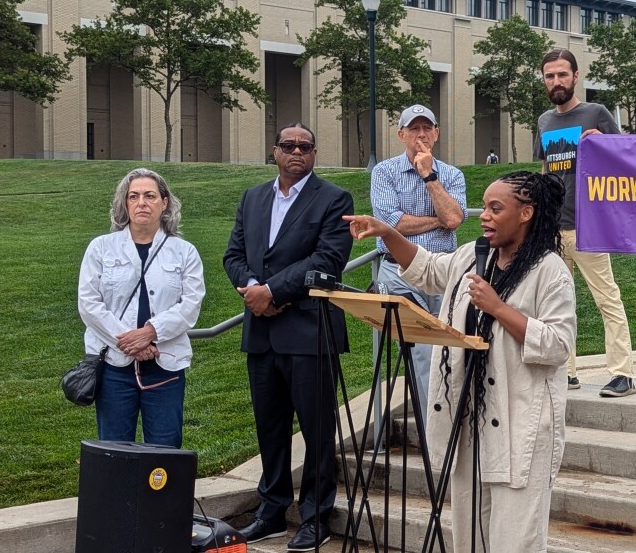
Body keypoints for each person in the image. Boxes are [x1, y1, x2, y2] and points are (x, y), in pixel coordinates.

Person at [344, 171, 576, 553]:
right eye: (483, 206)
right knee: (469, 536)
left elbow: (557, 344)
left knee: (515, 539)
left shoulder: (550, 271)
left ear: (526, 213)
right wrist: (388, 233)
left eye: (495, 208)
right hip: (469, 420)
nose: (483, 215)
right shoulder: (473, 255)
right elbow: (430, 269)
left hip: (521, 424)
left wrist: (499, 308)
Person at [223, 123, 355, 550]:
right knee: (270, 427)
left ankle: (316, 516)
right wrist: (253, 291)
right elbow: (234, 254)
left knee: (317, 430)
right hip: (262, 334)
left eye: (304, 146)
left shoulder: (335, 200)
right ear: (274, 151)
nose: (296, 151)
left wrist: (272, 291)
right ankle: (272, 511)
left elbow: (328, 260)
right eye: (287, 145)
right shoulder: (252, 198)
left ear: (314, 154)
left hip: (310, 332)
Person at [77, 168, 205, 449]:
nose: (141, 203)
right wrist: (130, 341)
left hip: (165, 366)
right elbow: (88, 304)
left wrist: (150, 332)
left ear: (165, 202)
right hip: (113, 366)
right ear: (124, 203)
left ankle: (160, 497)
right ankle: (119, 496)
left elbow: (191, 305)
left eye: (149, 196)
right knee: (114, 450)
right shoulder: (101, 248)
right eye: (133, 196)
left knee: (164, 449)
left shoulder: (184, 252)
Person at [534, 47, 636, 397]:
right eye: (550, 75)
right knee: (557, 304)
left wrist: (606, 143)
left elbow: (627, 158)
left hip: (589, 226)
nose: (556, 81)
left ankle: (623, 374)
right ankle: (567, 372)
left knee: (607, 299)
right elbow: (546, 170)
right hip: (552, 229)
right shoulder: (545, 122)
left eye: (563, 74)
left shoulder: (596, 113)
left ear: (576, 76)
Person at [370, 104, 466, 429]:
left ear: (437, 133)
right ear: (401, 135)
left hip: (444, 271)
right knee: (423, 350)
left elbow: (453, 219)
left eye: (427, 128)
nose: (421, 135)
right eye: (414, 129)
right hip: (398, 271)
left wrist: (428, 174)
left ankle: (455, 426)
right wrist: (437, 221)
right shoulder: (384, 172)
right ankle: (435, 436)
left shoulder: (451, 175)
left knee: (453, 349)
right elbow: (391, 224)